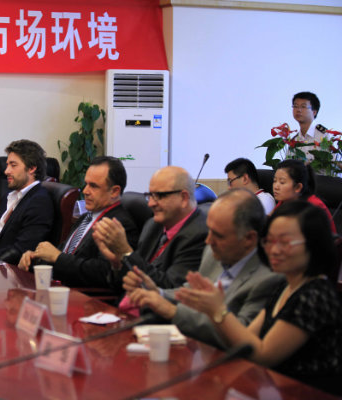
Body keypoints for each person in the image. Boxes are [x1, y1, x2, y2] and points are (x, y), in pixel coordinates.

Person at [176, 201, 342, 395]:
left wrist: (218, 311)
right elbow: (244, 340)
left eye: (285, 242)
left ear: (314, 244)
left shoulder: (315, 296)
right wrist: (211, 309)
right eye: (269, 241)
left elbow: (263, 355)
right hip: (273, 389)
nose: (274, 250)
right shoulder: (287, 287)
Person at [123, 189, 283, 349]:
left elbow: (242, 335)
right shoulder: (214, 253)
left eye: (218, 235)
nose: (208, 241)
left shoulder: (269, 278)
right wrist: (158, 293)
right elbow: (191, 291)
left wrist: (173, 311)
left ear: (249, 238)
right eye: (209, 230)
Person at [17, 156, 139, 293]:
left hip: (84, 298)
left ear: (114, 191)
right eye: (86, 184)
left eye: (93, 186)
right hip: (60, 289)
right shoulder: (87, 216)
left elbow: (104, 272)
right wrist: (36, 259)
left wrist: (58, 257)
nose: (85, 191)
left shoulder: (118, 224)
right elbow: (65, 253)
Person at [93, 166, 208, 289]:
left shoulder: (199, 235)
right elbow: (123, 285)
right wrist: (117, 264)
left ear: (183, 198)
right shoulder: (153, 225)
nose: (150, 203)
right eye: (150, 195)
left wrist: (126, 252)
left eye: (159, 196)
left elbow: (170, 289)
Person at [0, 139, 53, 265]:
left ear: (31, 168)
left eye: (13, 165)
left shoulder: (39, 202)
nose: (6, 171)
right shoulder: (10, 196)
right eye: (7, 165)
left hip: (10, 270)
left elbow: (23, 249)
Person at [272, 159, 336, 233]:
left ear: (298, 187)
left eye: (282, 182)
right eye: (275, 181)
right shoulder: (284, 201)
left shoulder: (314, 207)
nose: (275, 186)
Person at [290, 91, 326, 161]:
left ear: (314, 112)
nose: (298, 110)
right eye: (295, 106)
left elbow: (332, 163)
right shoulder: (294, 140)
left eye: (303, 106)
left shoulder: (324, 135)